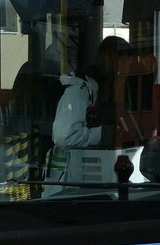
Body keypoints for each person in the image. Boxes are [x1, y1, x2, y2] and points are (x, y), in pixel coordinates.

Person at [45, 35, 128, 187]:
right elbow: (66, 137)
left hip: (97, 179)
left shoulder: (111, 92)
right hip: (65, 186)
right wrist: (106, 133)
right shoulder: (79, 90)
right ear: (116, 65)